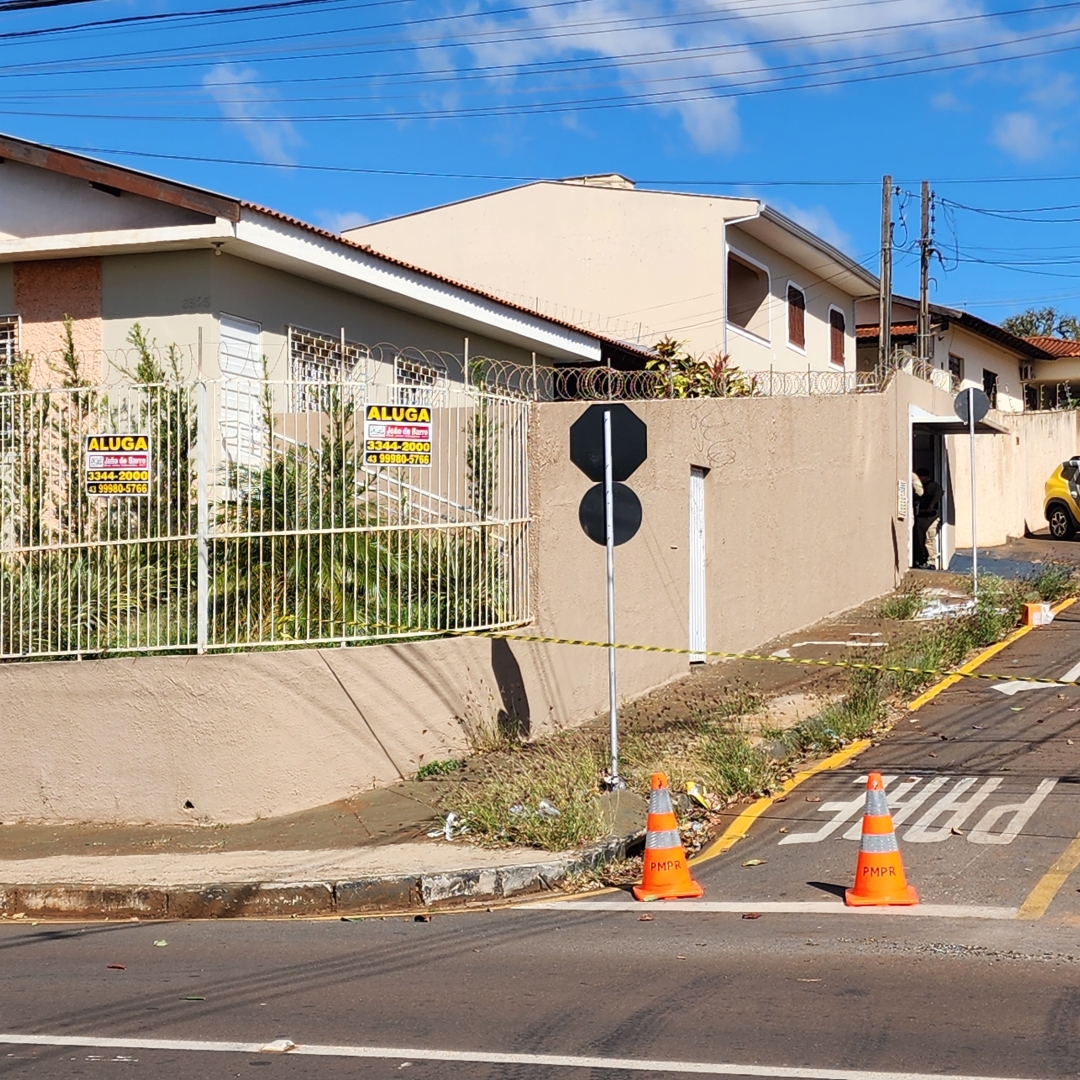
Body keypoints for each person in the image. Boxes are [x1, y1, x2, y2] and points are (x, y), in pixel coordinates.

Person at [914, 467, 942, 569]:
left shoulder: (931, 485)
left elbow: (939, 493)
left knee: (929, 537)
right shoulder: (918, 486)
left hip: (931, 516)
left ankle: (932, 561)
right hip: (921, 515)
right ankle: (923, 559)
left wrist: (931, 505)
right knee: (920, 539)